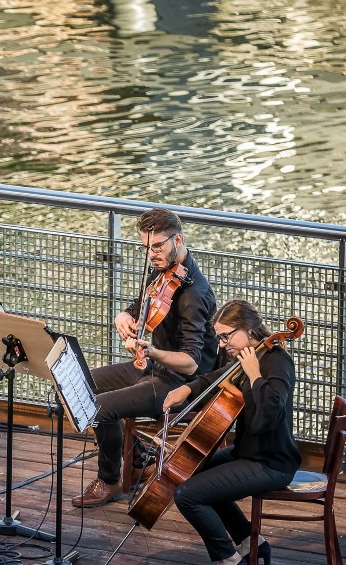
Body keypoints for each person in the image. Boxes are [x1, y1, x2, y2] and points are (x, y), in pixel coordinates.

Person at [73, 208, 218, 508]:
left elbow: (191, 362)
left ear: (177, 239)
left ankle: (110, 480)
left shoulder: (193, 295)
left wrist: (151, 351)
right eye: (146, 248)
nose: (151, 254)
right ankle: (137, 458)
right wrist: (124, 316)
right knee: (83, 384)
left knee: (98, 408)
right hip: (154, 368)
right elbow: (141, 305)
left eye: (157, 246)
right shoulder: (163, 270)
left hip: (180, 382)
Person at [164, 300, 300, 564]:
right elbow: (217, 377)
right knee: (187, 473)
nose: (223, 343)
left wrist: (254, 375)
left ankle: (226, 558)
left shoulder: (277, 362)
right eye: (220, 337)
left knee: (188, 496)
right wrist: (188, 389)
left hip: (272, 462)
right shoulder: (248, 357)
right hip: (246, 453)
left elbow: (269, 414)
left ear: (248, 329)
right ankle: (252, 542)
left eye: (226, 336)